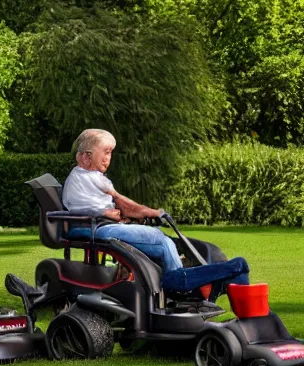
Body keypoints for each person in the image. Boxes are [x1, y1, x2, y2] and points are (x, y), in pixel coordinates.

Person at [62, 128, 249, 300]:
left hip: (98, 225)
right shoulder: (91, 177)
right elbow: (127, 206)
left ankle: (184, 280)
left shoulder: (82, 177)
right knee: (158, 238)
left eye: (110, 153)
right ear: (85, 157)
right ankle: (178, 283)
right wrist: (155, 213)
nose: (108, 158)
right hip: (98, 228)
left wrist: (121, 215)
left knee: (163, 241)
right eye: (105, 152)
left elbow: (112, 209)